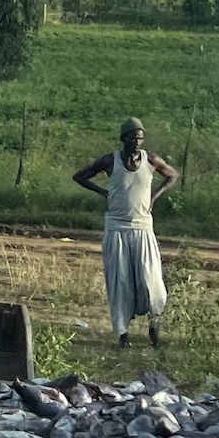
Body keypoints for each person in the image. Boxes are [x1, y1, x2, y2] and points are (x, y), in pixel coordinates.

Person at [73, 118, 178, 347]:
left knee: (151, 281)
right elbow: (79, 176)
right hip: (117, 229)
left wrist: (154, 196)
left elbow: (172, 175)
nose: (137, 142)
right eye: (132, 137)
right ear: (123, 139)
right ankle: (123, 335)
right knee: (120, 282)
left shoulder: (150, 160)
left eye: (140, 138)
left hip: (143, 228)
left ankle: (154, 327)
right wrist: (103, 193)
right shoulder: (111, 161)